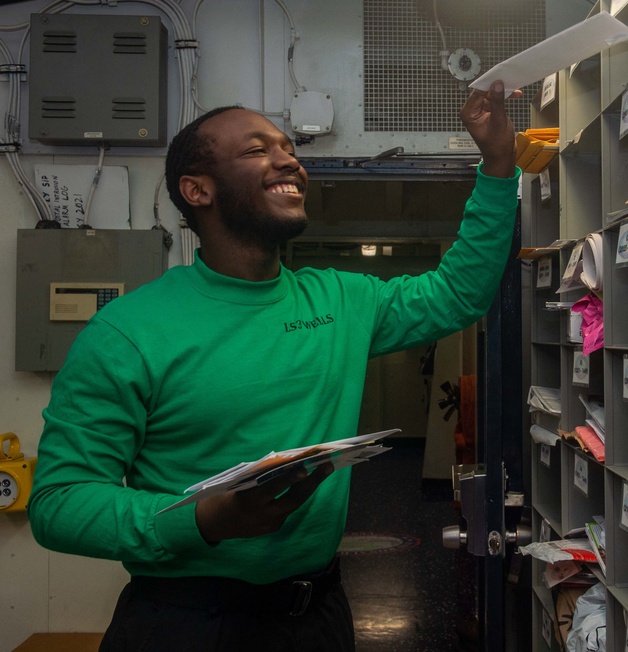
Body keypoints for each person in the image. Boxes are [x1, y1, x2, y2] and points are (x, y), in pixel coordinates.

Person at [27, 80, 521, 651]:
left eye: (287, 146)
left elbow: (459, 293)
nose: (287, 158)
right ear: (198, 189)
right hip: (186, 623)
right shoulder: (128, 332)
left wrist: (497, 164)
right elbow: (59, 505)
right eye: (257, 149)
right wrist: (206, 520)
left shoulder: (341, 300)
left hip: (317, 616)